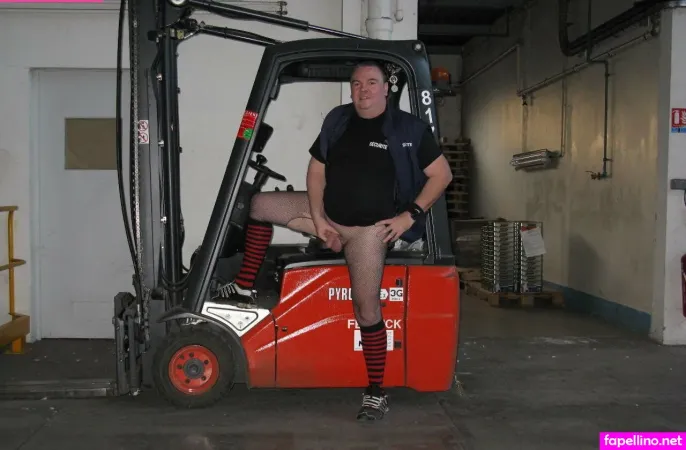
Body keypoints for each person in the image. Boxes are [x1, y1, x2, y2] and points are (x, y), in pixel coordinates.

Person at [216, 60, 454, 421]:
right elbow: (316, 171)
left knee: (367, 309)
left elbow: (442, 175)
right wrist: (318, 218)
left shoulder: (409, 128)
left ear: (386, 87)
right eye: (356, 83)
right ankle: (244, 288)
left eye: (371, 82)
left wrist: (410, 215)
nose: (363, 89)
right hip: (328, 218)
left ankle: (376, 392)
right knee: (260, 205)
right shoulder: (338, 120)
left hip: (368, 232)